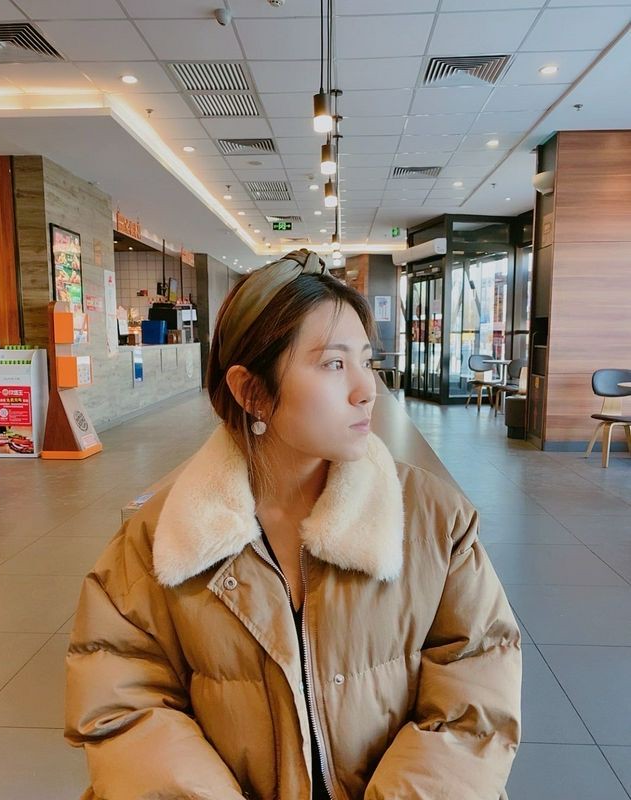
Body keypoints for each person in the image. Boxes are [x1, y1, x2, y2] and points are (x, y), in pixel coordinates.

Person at [65, 249, 522, 800]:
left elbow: (475, 699)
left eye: (366, 361)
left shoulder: (434, 521)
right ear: (251, 391)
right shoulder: (159, 539)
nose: (366, 389)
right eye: (333, 364)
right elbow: (125, 707)